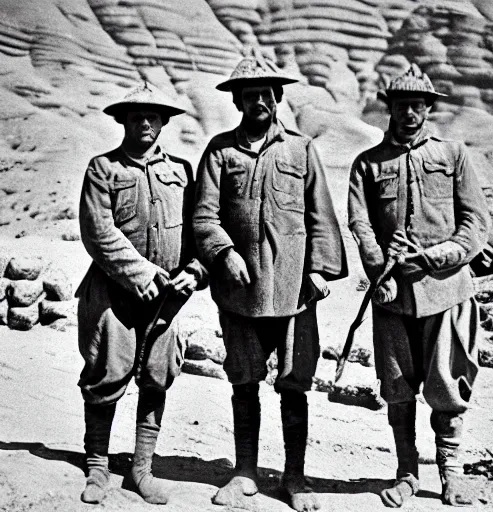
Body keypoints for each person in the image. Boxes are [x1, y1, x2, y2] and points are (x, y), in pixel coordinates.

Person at [193, 51, 347, 512]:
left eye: (266, 93)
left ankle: (295, 478)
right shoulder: (220, 151)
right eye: (249, 94)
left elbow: (321, 216)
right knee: (244, 381)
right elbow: (203, 216)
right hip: (240, 291)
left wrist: (320, 269)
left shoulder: (301, 150)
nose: (258, 100)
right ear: (238, 101)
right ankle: (244, 472)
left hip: (294, 290)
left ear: (277, 98)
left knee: (295, 383)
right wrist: (223, 252)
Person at [348, 63, 489, 508]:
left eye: (418, 106)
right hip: (392, 295)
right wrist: (379, 272)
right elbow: (360, 222)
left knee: (448, 385)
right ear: (389, 109)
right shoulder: (368, 164)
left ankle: (449, 474)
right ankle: (406, 473)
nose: (409, 113)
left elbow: (475, 222)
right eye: (401, 105)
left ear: (429, 109)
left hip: (447, 289)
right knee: (397, 386)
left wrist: (437, 255)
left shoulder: (453, 155)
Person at [76, 82, 207, 505]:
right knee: (105, 374)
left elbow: (201, 232)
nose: (145, 122)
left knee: (157, 377)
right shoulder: (104, 169)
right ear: (123, 121)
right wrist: (140, 271)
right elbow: (98, 231)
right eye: (136, 117)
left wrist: (196, 270)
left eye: (153, 116)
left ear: (165, 121)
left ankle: (141, 469)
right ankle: (97, 467)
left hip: (166, 298)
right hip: (112, 294)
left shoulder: (183, 172)